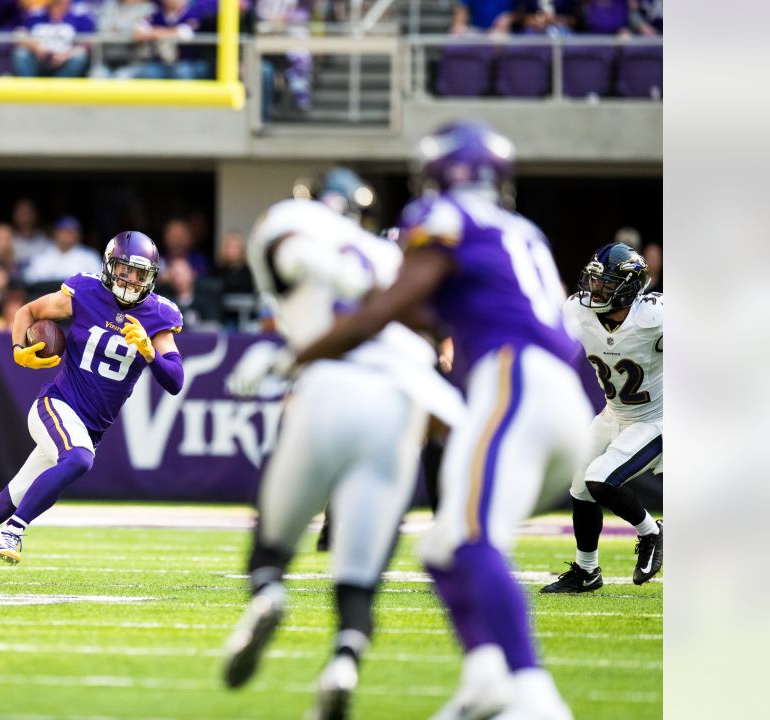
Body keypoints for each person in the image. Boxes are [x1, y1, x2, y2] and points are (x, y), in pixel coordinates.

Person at [282, 122, 592, 720]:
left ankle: (532, 694)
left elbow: (391, 309)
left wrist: (301, 353)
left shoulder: (446, 218)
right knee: (445, 544)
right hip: (557, 395)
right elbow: (430, 310)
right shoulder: (520, 231)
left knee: (472, 540)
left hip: (515, 380)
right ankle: (484, 676)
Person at [220, 180, 466, 719]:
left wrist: (290, 354)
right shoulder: (387, 254)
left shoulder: (294, 224)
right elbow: (431, 329)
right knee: (359, 572)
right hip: (399, 403)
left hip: (329, 386)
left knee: (273, 540)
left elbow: (294, 252)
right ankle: (344, 660)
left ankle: (269, 595)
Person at [0, 231, 185, 578]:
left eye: (140, 273)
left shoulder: (158, 315)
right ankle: (13, 532)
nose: (132, 280)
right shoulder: (85, 292)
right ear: (109, 267)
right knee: (78, 459)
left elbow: (175, 380)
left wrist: (150, 353)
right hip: (56, 405)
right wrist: (19, 350)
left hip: (89, 426)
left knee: (8, 499)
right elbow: (27, 312)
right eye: (125, 270)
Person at [541, 243, 662, 593]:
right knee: (580, 486)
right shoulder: (577, 311)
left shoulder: (654, 316)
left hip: (657, 418)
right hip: (613, 414)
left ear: (628, 288)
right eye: (595, 280)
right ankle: (587, 571)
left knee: (599, 478)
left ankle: (652, 533)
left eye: (607, 284)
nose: (596, 289)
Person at [12, 0, 95, 78]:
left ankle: (60, 90)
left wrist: (66, 55)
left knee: (79, 56)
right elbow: (20, 33)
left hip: (66, 60)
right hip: (39, 58)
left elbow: (88, 41)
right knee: (21, 53)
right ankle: (30, 90)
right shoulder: (37, 12)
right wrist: (36, 48)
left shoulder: (79, 14)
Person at [21, 216, 103, 284]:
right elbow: (29, 279)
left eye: (72, 231)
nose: (67, 235)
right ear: (56, 233)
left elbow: (100, 282)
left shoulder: (90, 256)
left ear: (79, 235)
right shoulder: (43, 255)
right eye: (64, 230)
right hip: (45, 299)